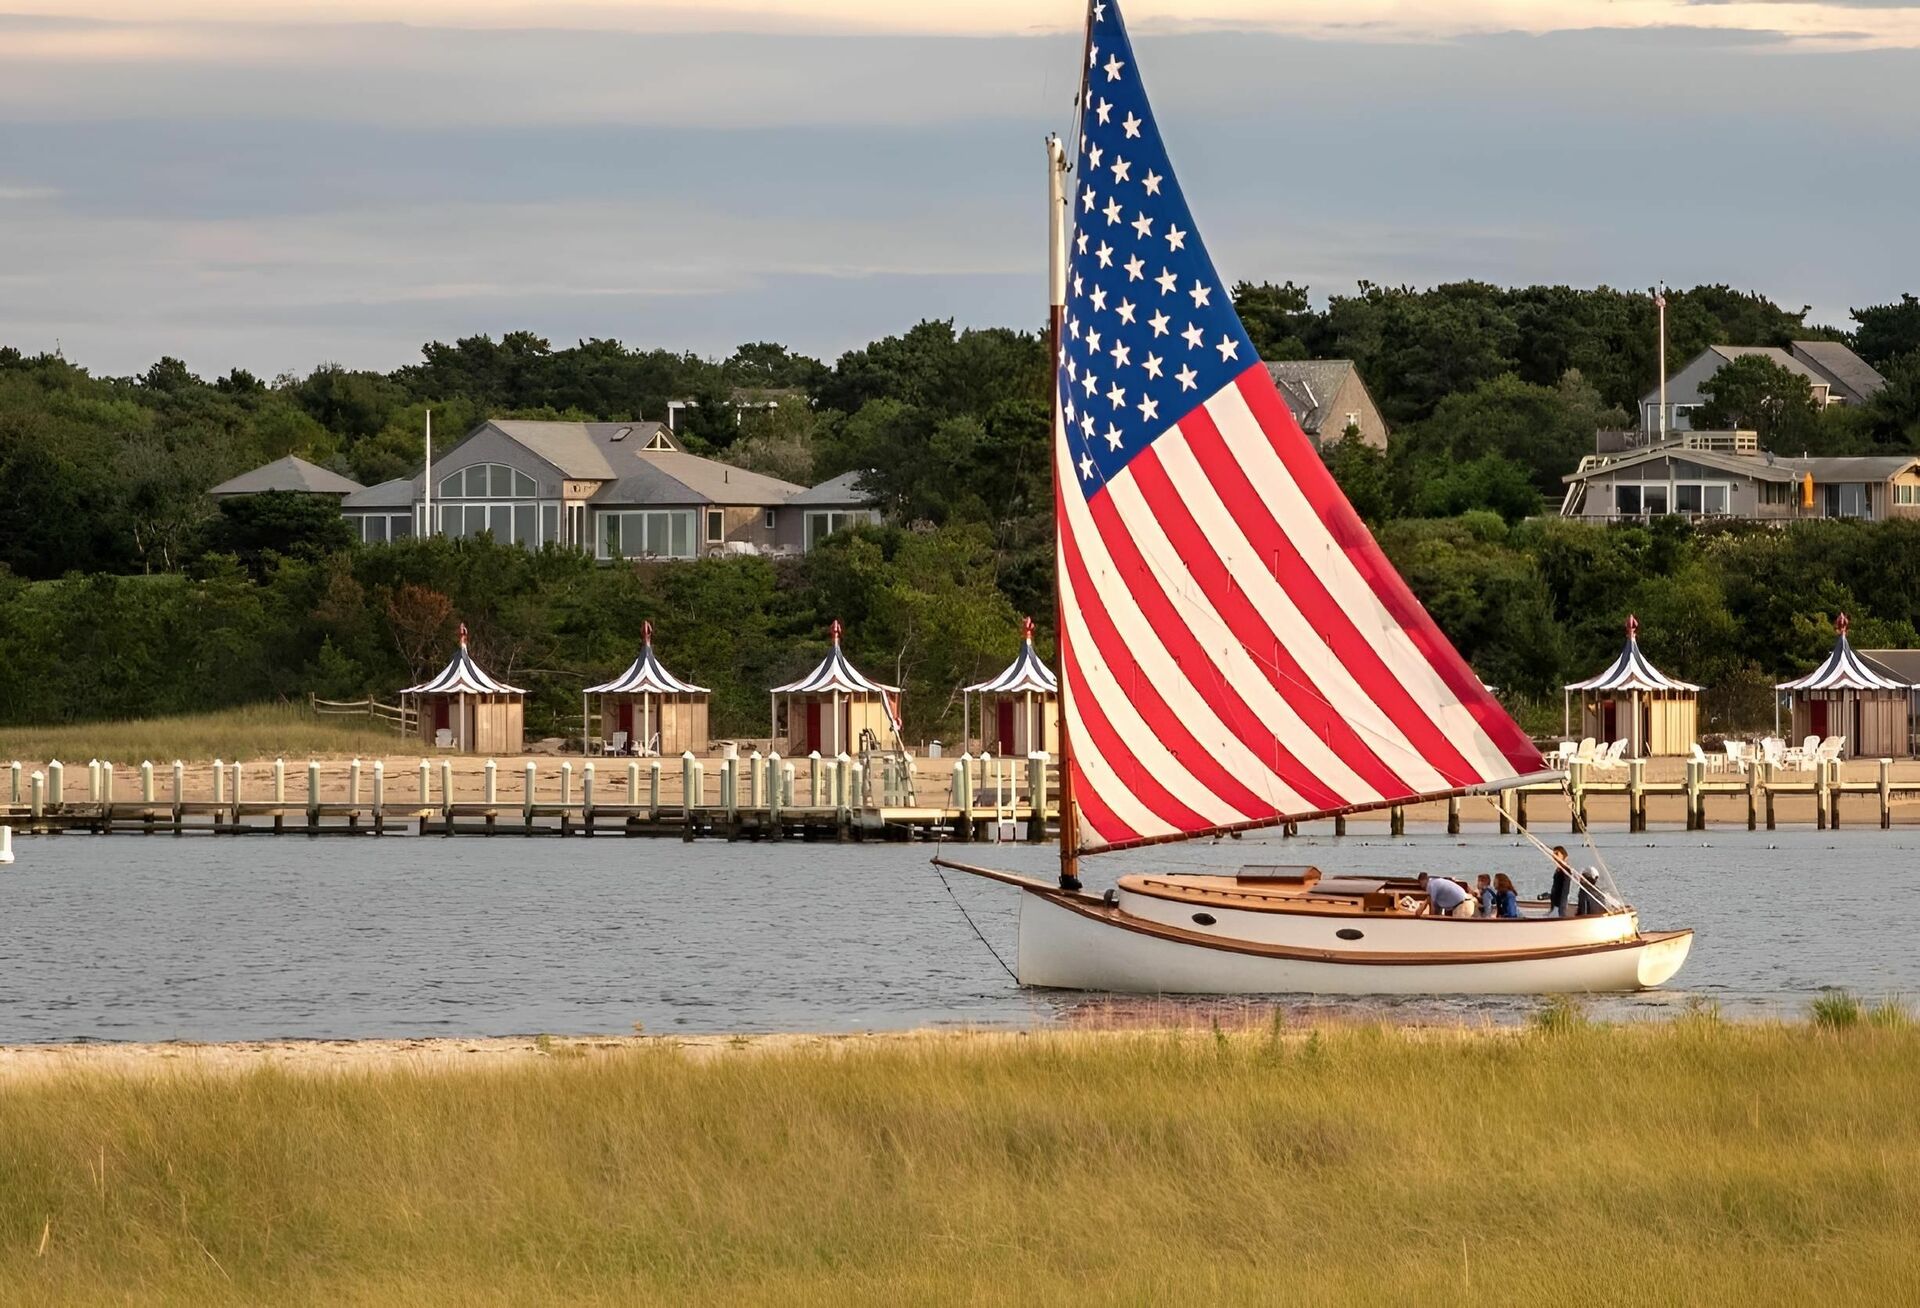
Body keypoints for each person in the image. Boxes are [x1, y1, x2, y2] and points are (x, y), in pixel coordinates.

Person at [1547, 846, 1574, 918]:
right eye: (1553, 854)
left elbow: (1565, 891)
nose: (1554, 856)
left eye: (1557, 854)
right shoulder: (1559, 869)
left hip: (1559, 906)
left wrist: (1560, 910)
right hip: (1555, 904)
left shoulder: (1566, 870)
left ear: (1563, 856)